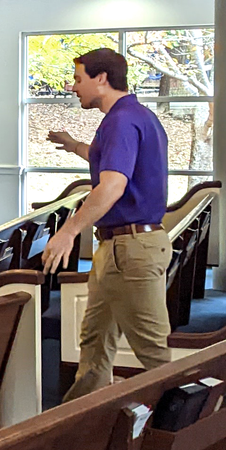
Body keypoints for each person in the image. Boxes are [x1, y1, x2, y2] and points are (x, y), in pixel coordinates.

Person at [41, 47, 174, 401]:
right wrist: (74, 146)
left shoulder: (120, 120)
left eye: (78, 79)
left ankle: (187, 433)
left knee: (154, 353)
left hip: (132, 251)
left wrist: (69, 231)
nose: (73, 87)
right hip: (118, 248)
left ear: (101, 79)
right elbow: (110, 159)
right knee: (95, 341)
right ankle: (82, 421)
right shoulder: (134, 115)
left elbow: (113, 185)